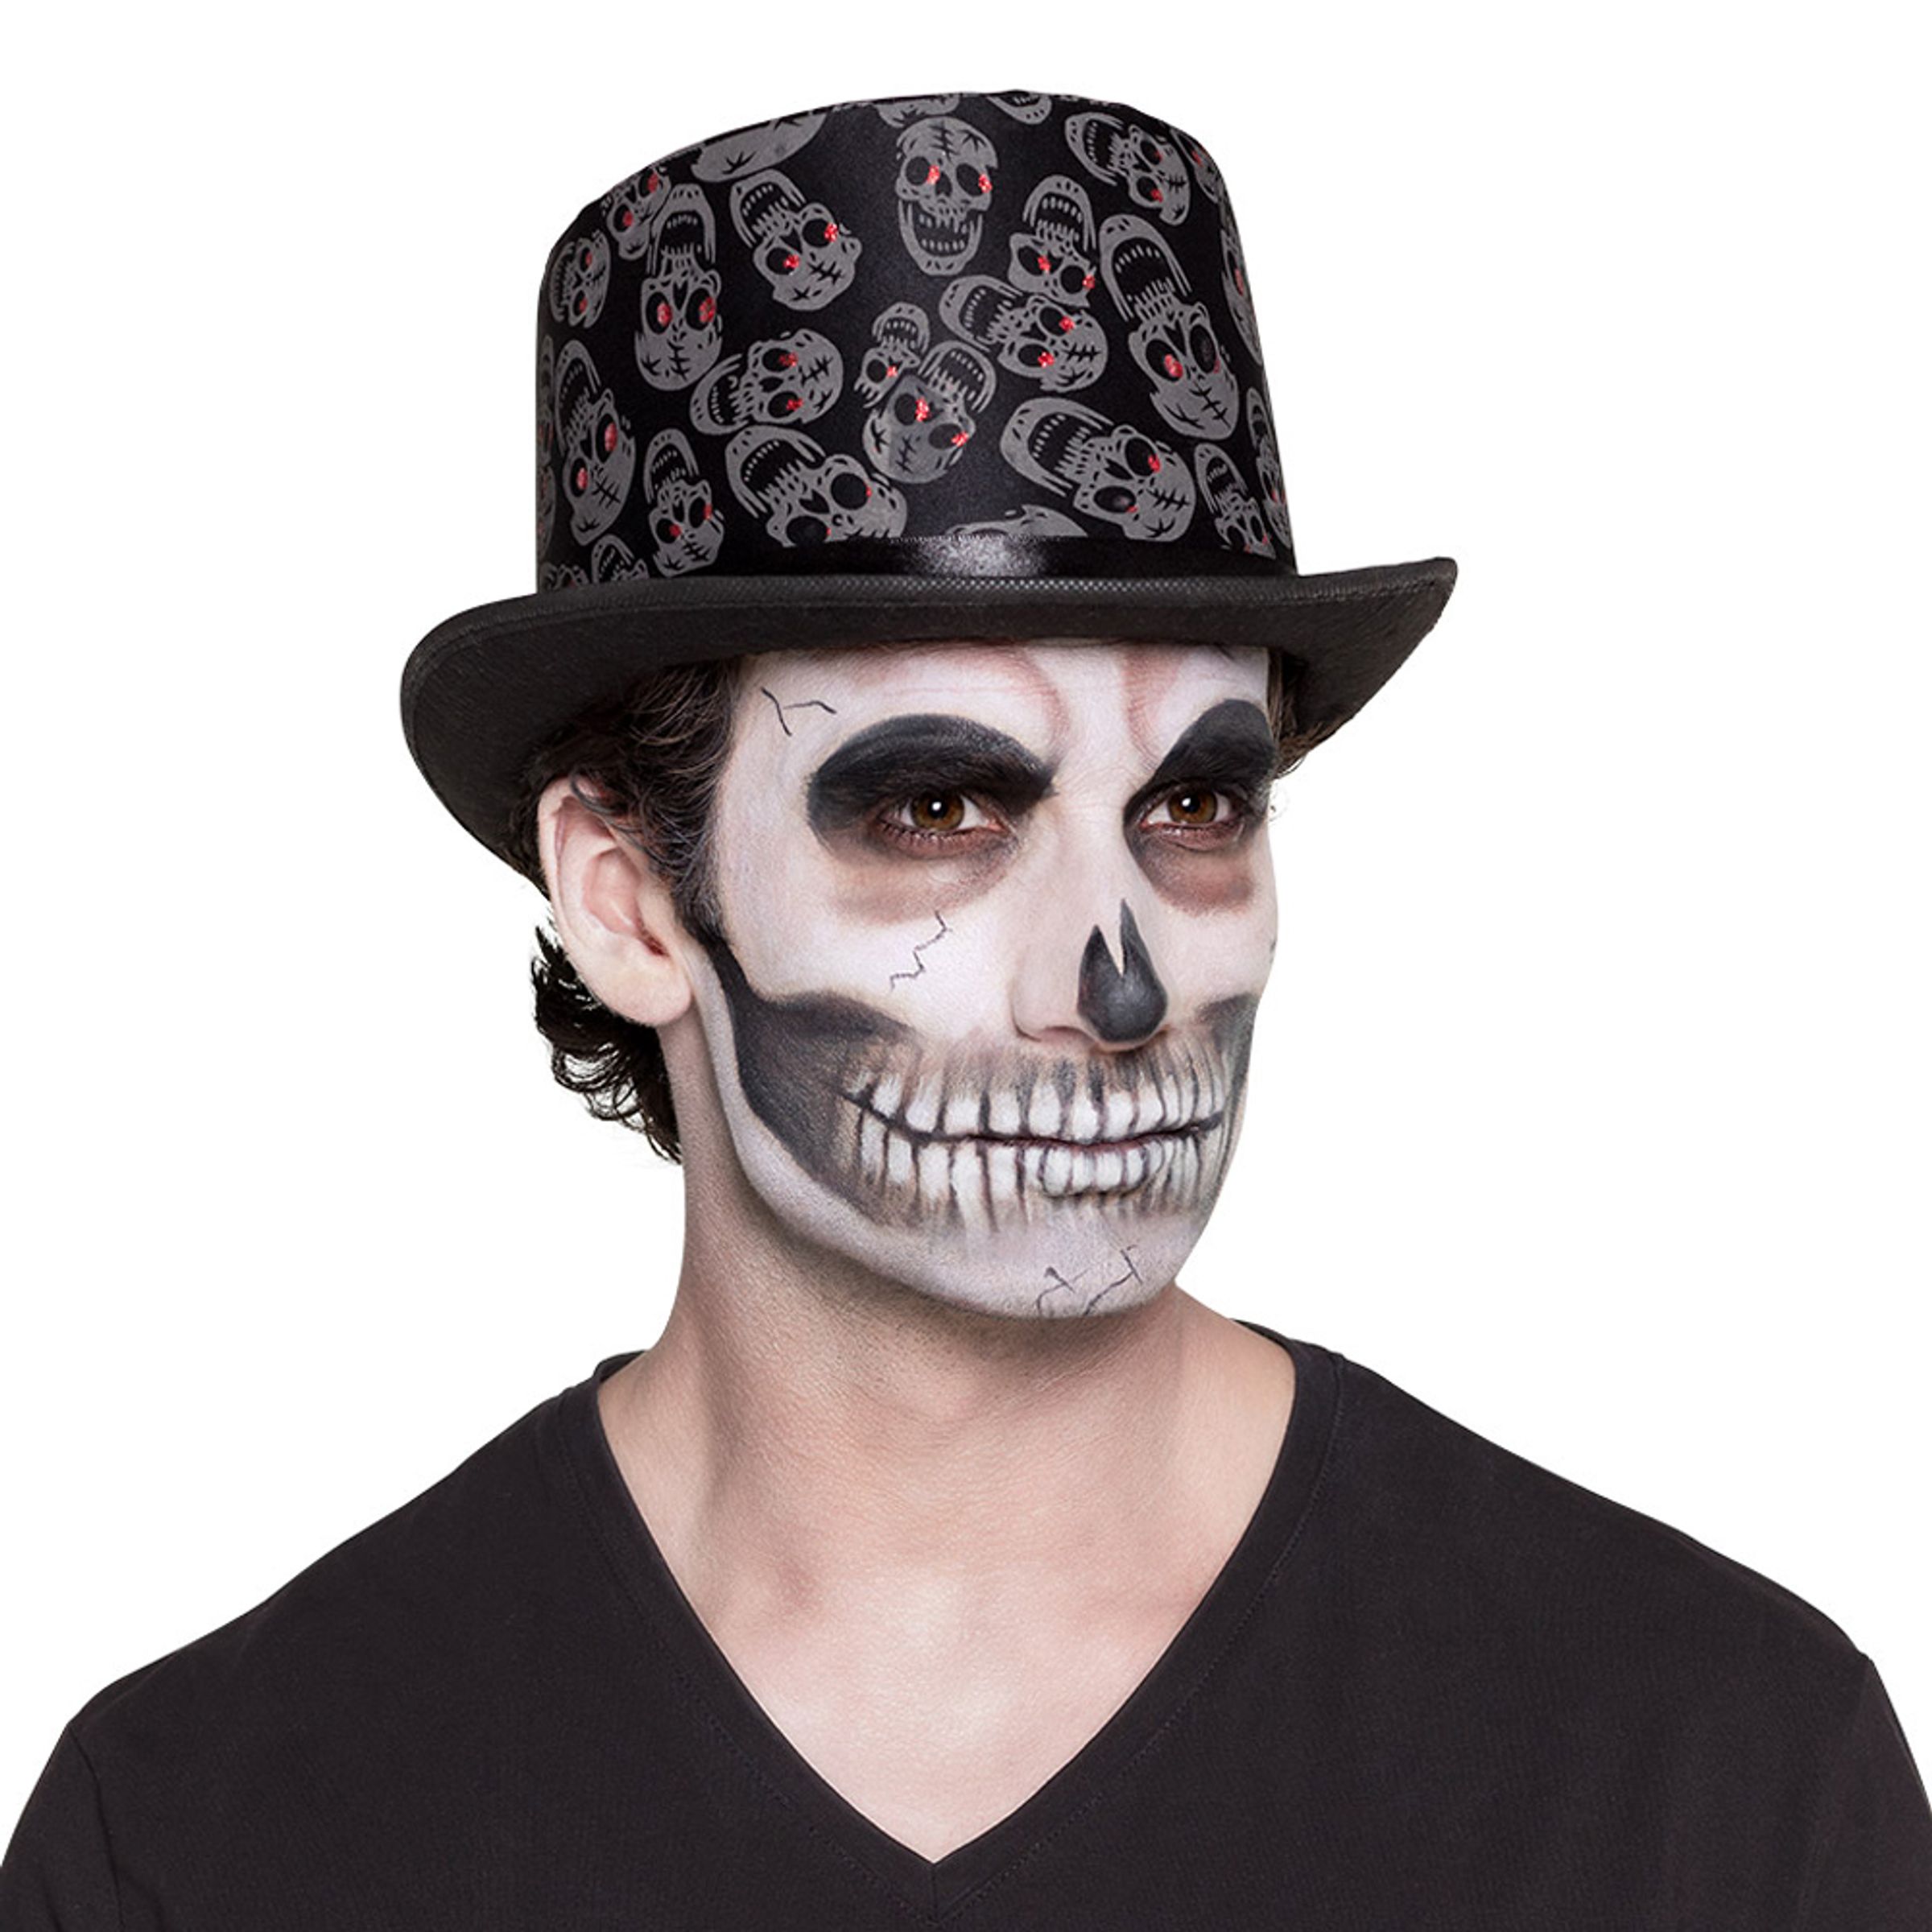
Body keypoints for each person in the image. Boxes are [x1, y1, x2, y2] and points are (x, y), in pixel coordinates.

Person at [4, 87, 1927, 1927]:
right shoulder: (206, 1836)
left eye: (1197, 806)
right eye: (939, 811)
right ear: (627, 899)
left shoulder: (1721, 1771)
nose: (1123, 975)